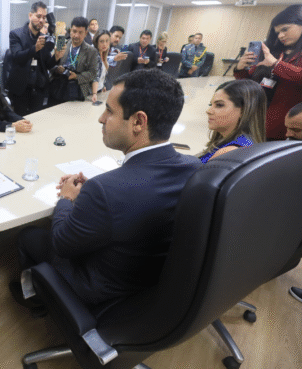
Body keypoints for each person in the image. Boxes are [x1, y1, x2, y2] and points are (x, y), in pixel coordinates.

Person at [12, 68, 201, 307]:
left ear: (138, 122)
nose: (101, 118)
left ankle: (37, 298)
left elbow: (61, 243)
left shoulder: (105, 190)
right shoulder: (194, 167)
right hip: (151, 283)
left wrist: (66, 199)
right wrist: (95, 192)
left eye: (109, 111)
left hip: (100, 290)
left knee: (28, 236)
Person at [235, 4, 302, 140]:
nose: (281, 35)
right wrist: (240, 70)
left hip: (285, 125)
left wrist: (276, 64)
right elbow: (251, 84)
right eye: (277, 32)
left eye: (285, 29)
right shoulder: (274, 52)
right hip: (255, 118)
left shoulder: (275, 59)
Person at [7, 1, 65, 115]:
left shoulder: (44, 37)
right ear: (30, 15)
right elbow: (17, 57)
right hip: (21, 88)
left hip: (39, 88)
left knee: (37, 119)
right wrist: (35, 48)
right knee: (22, 120)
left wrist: (56, 57)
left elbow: (47, 64)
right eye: (38, 16)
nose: (41, 20)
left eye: (44, 17)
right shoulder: (16, 34)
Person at [199, 80, 266, 163]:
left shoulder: (228, 152)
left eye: (219, 105)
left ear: (243, 111)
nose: (208, 111)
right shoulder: (245, 142)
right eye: (210, 105)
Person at [51, 16, 98, 103]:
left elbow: (93, 73)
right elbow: (50, 64)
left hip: (78, 90)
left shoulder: (92, 51)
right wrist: (57, 69)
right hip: (59, 87)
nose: (76, 35)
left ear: (85, 33)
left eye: (80, 32)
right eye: (74, 31)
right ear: (70, 31)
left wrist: (77, 76)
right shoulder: (61, 43)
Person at [91, 30, 111, 103]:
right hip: (91, 93)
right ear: (96, 42)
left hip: (98, 91)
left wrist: (102, 86)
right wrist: (94, 93)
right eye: (101, 41)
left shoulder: (103, 54)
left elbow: (102, 75)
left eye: (107, 41)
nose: (105, 44)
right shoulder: (95, 55)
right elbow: (95, 77)